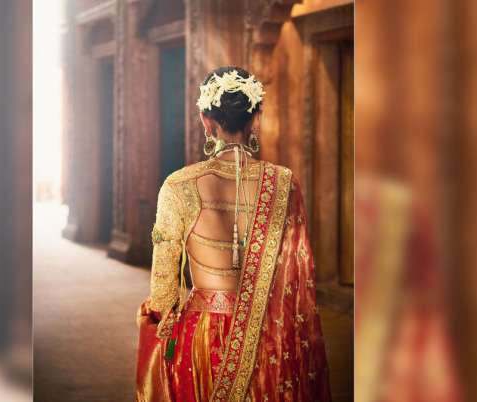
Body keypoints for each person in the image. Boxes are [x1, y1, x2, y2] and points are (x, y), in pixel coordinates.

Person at [135, 66, 331, 402]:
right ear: (256, 119)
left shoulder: (179, 186)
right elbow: (298, 280)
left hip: (201, 339)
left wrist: (153, 317)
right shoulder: (285, 184)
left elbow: (164, 292)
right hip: (270, 339)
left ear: (205, 120)